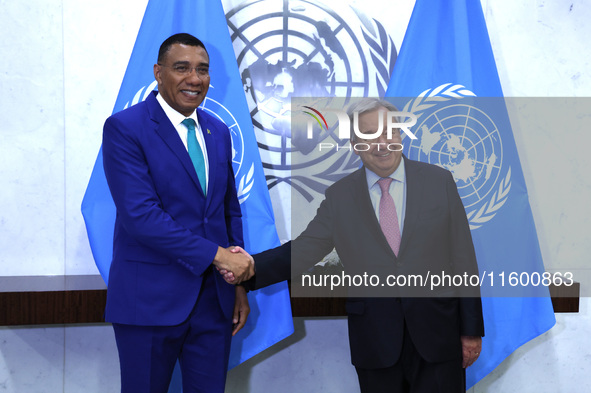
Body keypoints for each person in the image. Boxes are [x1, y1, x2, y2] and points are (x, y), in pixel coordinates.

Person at [226, 98, 485, 392]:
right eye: (369, 136)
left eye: (388, 132)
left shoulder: (439, 182)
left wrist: (471, 331)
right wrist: (246, 272)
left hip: (439, 337)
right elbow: (303, 250)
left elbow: (464, 259)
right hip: (376, 343)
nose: (381, 143)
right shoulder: (341, 197)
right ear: (355, 144)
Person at [102, 33, 255, 393]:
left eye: (202, 70)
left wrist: (238, 285)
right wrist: (218, 256)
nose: (194, 78)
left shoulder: (218, 130)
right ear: (158, 72)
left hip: (214, 302)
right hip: (149, 301)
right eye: (182, 68)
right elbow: (141, 217)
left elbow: (227, 211)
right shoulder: (125, 128)